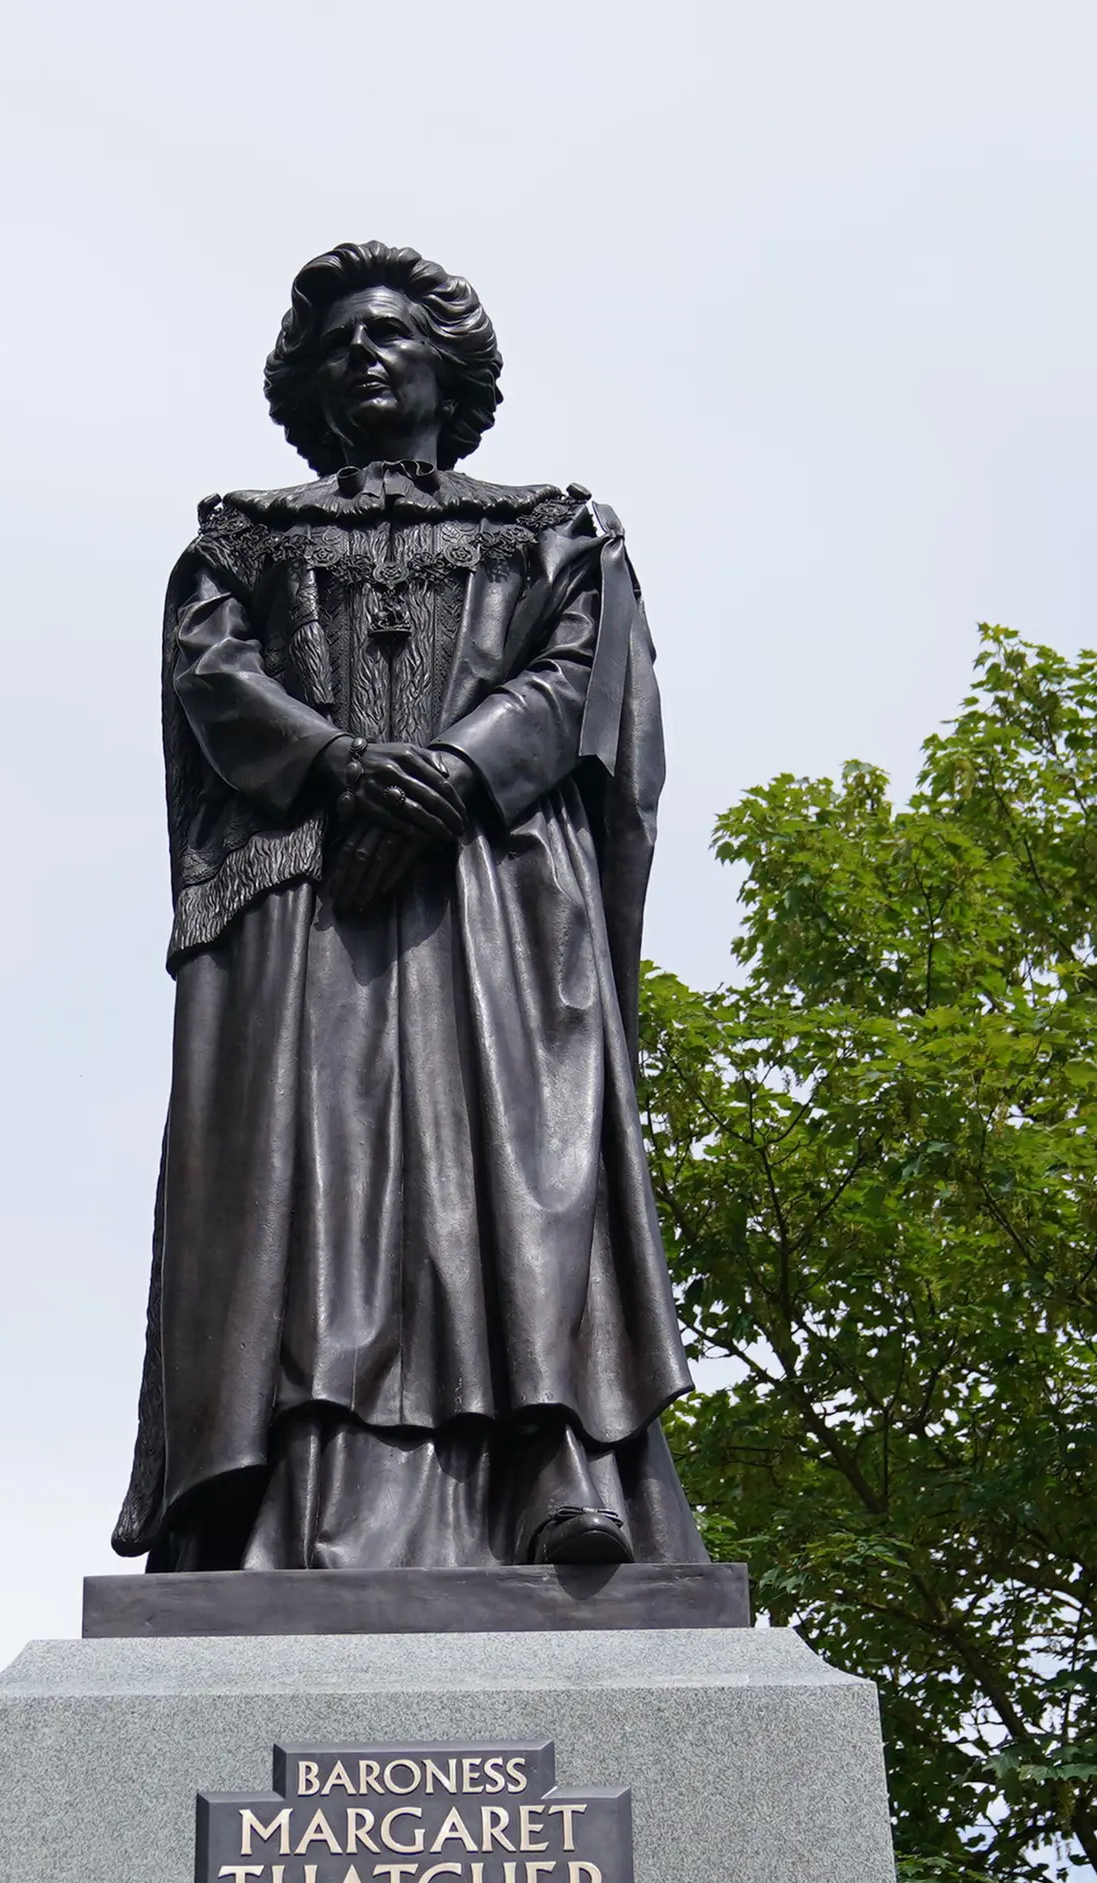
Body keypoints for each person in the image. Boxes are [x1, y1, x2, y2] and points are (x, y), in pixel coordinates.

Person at [113, 242, 701, 1574]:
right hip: (304, 902)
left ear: (453, 369)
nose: (362, 357)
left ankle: (550, 1468)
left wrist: (453, 773)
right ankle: (296, 1495)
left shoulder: (552, 528)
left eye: (389, 335)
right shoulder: (245, 539)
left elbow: (584, 677)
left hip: (498, 900)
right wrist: (341, 770)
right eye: (336, 346)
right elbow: (212, 678)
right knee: (311, 1191)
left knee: (511, 1177)